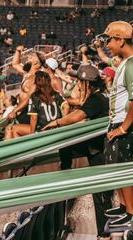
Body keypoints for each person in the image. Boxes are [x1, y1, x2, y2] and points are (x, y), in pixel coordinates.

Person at [42, 64, 111, 237]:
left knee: (101, 192)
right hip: (93, 146)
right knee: (66, 144)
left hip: (98, 149)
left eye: (80, 82)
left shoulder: (96, 98)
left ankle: (104, 233)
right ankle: (65, 170)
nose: (78, 85)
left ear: (87, 83)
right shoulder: (99, 96)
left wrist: (56, 122)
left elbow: (77, 116)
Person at [101, 21, 133, 229]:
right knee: (116, 167)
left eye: (110, 39)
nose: (108, 44)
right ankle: (124, 207)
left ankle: (130, 211)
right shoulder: (124, 62)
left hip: (124, 124)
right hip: (119, 121)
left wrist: (123, 128)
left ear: (121, 40)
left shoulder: (131, 64)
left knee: (123, 169)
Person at [7, 71, 69, 139]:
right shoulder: (56, 93)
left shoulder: (34, 97)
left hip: (42, 130)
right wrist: (62, 123)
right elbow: (66, 106)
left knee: (14, 128)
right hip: (56, 127)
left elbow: (34, 118)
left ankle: (25, 148)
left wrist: (32, 136)